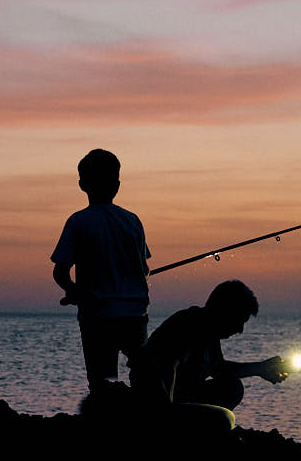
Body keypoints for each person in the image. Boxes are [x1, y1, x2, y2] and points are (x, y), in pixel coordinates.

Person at [51, 149, 151, 391]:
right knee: (144, 377)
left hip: (98, 317)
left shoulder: (78, 221)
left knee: (103, 381)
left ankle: (104, 423)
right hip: (135, 315)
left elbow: (60, 271)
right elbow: (144, 270)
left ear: (82, 184)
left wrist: (72, 291)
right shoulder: (133, 221)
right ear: (117, 185)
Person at [129, 280, 288, 418]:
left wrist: (261, 369)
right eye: (239, 321)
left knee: (232, 388)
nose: (240, 330)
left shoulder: (209, 333)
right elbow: (167, 366)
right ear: (224, 312)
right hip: (157, 399)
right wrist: (167, 414)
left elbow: (219, 369)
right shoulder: (188, 325)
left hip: (182, 397)